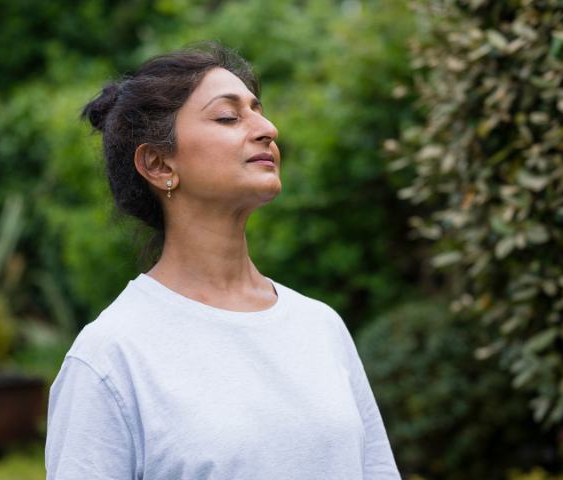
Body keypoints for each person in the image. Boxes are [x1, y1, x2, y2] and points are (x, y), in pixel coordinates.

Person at [44, 41, 402, 480]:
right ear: (158, 164)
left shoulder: (320, 326)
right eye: (229, 116)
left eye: (259, 110)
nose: (267, 128)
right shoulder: (111, 356)